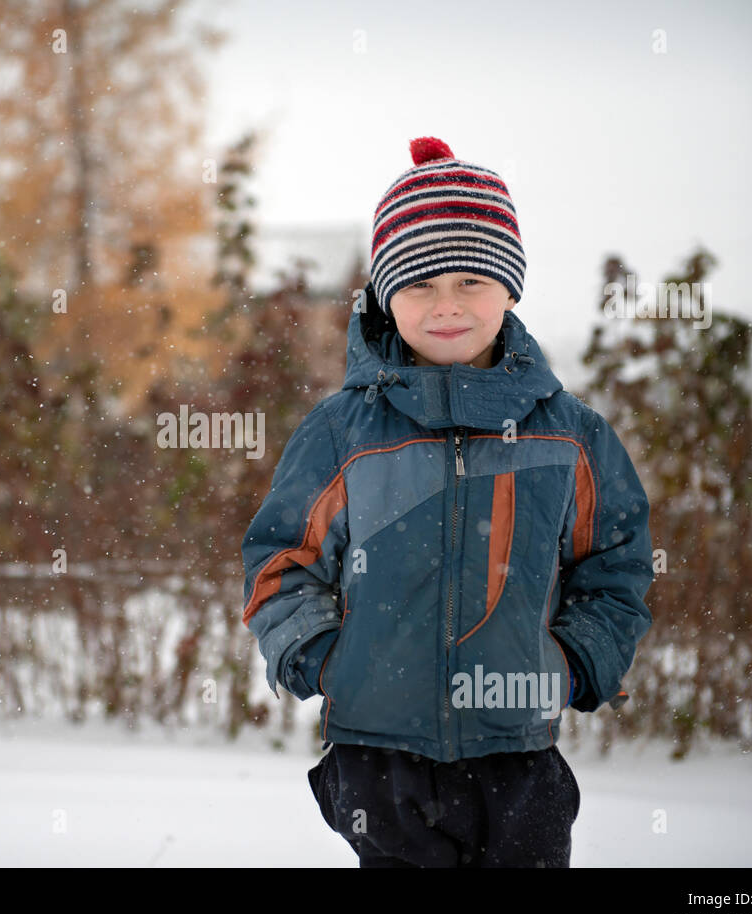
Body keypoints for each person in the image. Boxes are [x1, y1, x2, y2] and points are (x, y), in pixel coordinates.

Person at [240, 136, 655, 867]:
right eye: (421, 283)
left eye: (470, 280)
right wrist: (326, 659)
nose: (446, 306)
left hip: (518, 761)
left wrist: (574, 659)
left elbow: (615, 567)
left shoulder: (570, 434)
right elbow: (281, 561)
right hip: (379, 762)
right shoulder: (341, 432)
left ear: (510, 287)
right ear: (385, 294)